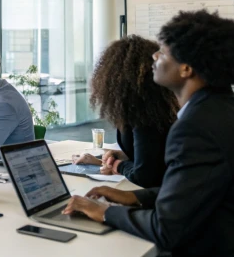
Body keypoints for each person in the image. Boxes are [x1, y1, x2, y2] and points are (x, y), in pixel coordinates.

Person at [63, 11, 234, 257]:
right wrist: (133, 197)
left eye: (163, 52)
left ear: (186, 68)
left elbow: (167, 229)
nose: (154, 56)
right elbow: (194, 190)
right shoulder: (232, 106)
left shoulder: (197, 126)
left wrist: (103, 211)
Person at [72, 35, 178, 188]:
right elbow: (151, 155)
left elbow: (145, 175)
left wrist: (117, 165)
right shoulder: (149, 107)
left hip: (164, 195)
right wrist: (119, 156)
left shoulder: (146, 115)